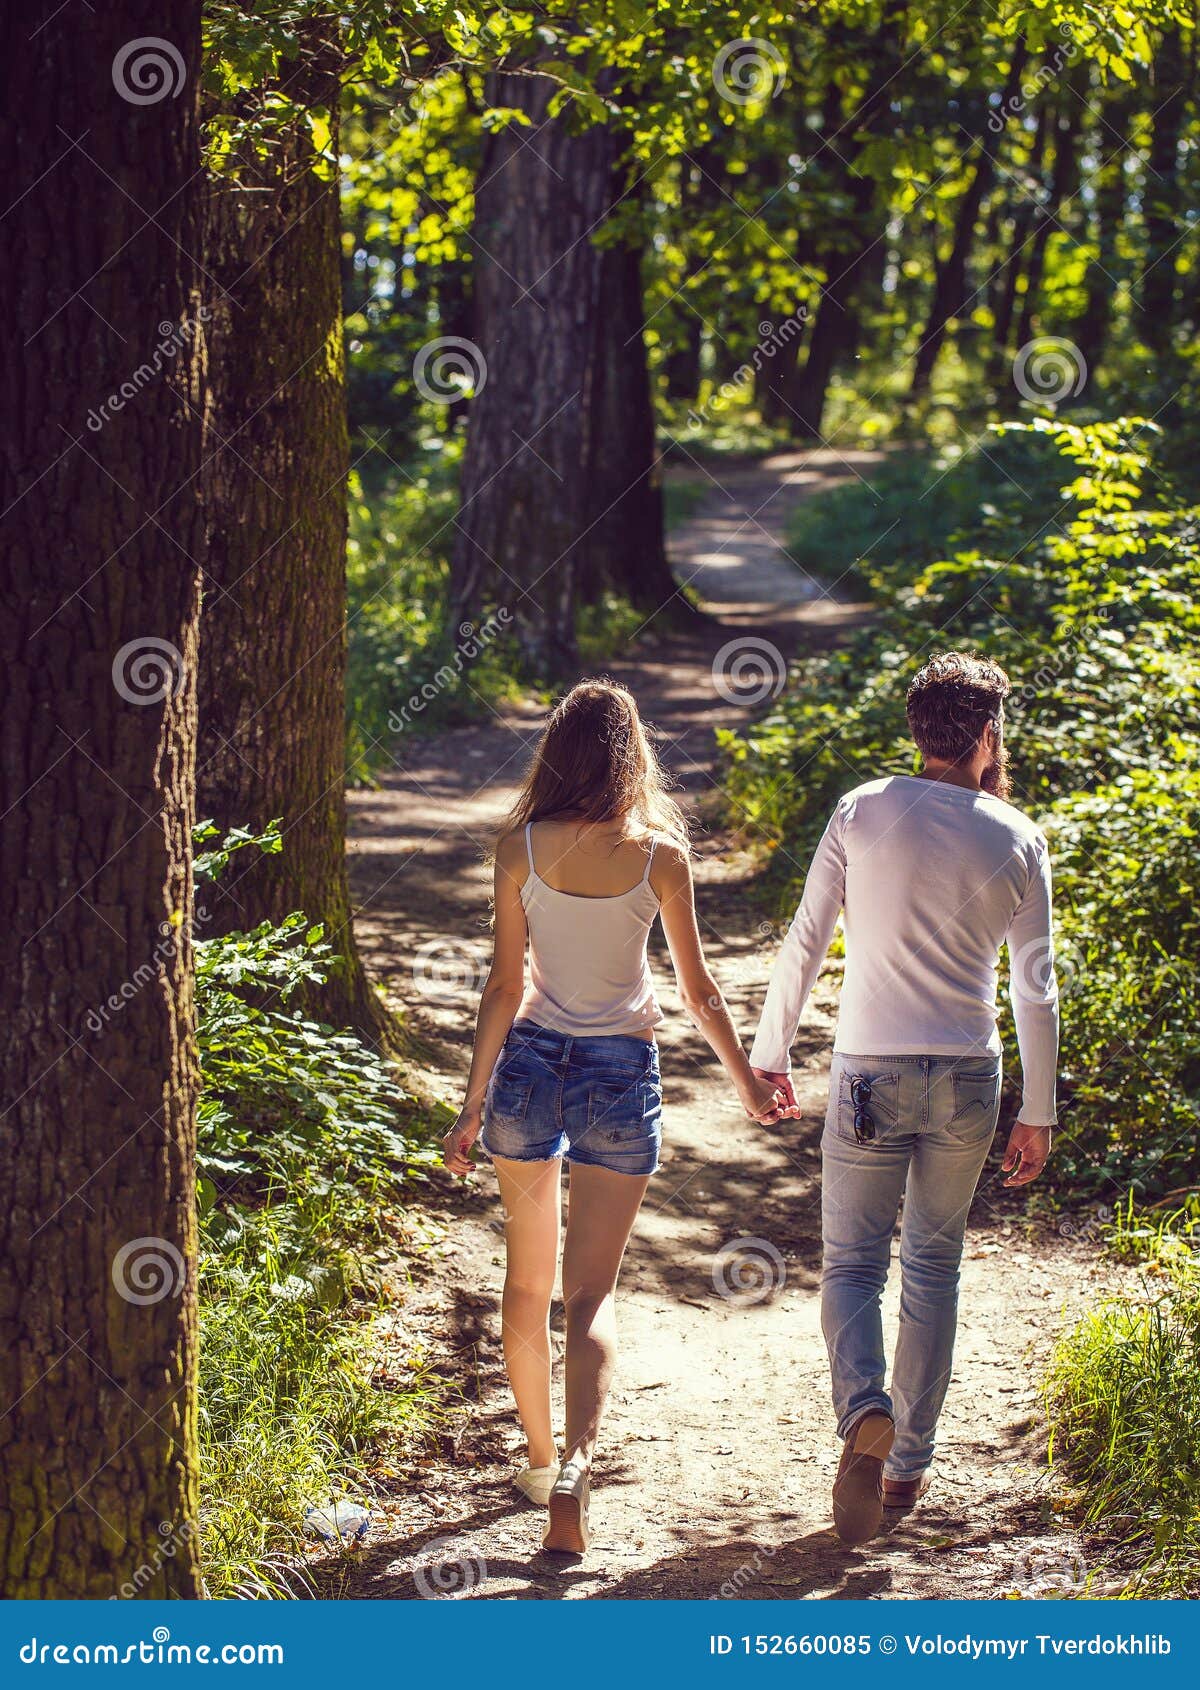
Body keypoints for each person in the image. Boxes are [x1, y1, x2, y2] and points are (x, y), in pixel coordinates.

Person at [443, 679, 782, 1553]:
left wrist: (469, 1108)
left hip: (528, 1072)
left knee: (525, 1285)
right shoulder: (660, 857)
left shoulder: (519, 847)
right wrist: (745, 1080)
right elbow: (699, 991)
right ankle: (581, 1466)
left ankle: (541, 1456)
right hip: (619, 1075)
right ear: (634, 757)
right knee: (590, 1295)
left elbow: (504, 988)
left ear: (555, 751)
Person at [750, 651, 1059, 1546]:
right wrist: (1038, 1107)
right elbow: (1035, 987)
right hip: (968, 1075)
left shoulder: (862, 809)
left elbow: (806, 939)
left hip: (868, 1073)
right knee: (933, 1268)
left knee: (851, 1265)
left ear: (918, 733)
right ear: (988, 736)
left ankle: (863, 1415)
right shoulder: (1018, 835)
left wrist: (773, 1054)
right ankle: (906, 1467)